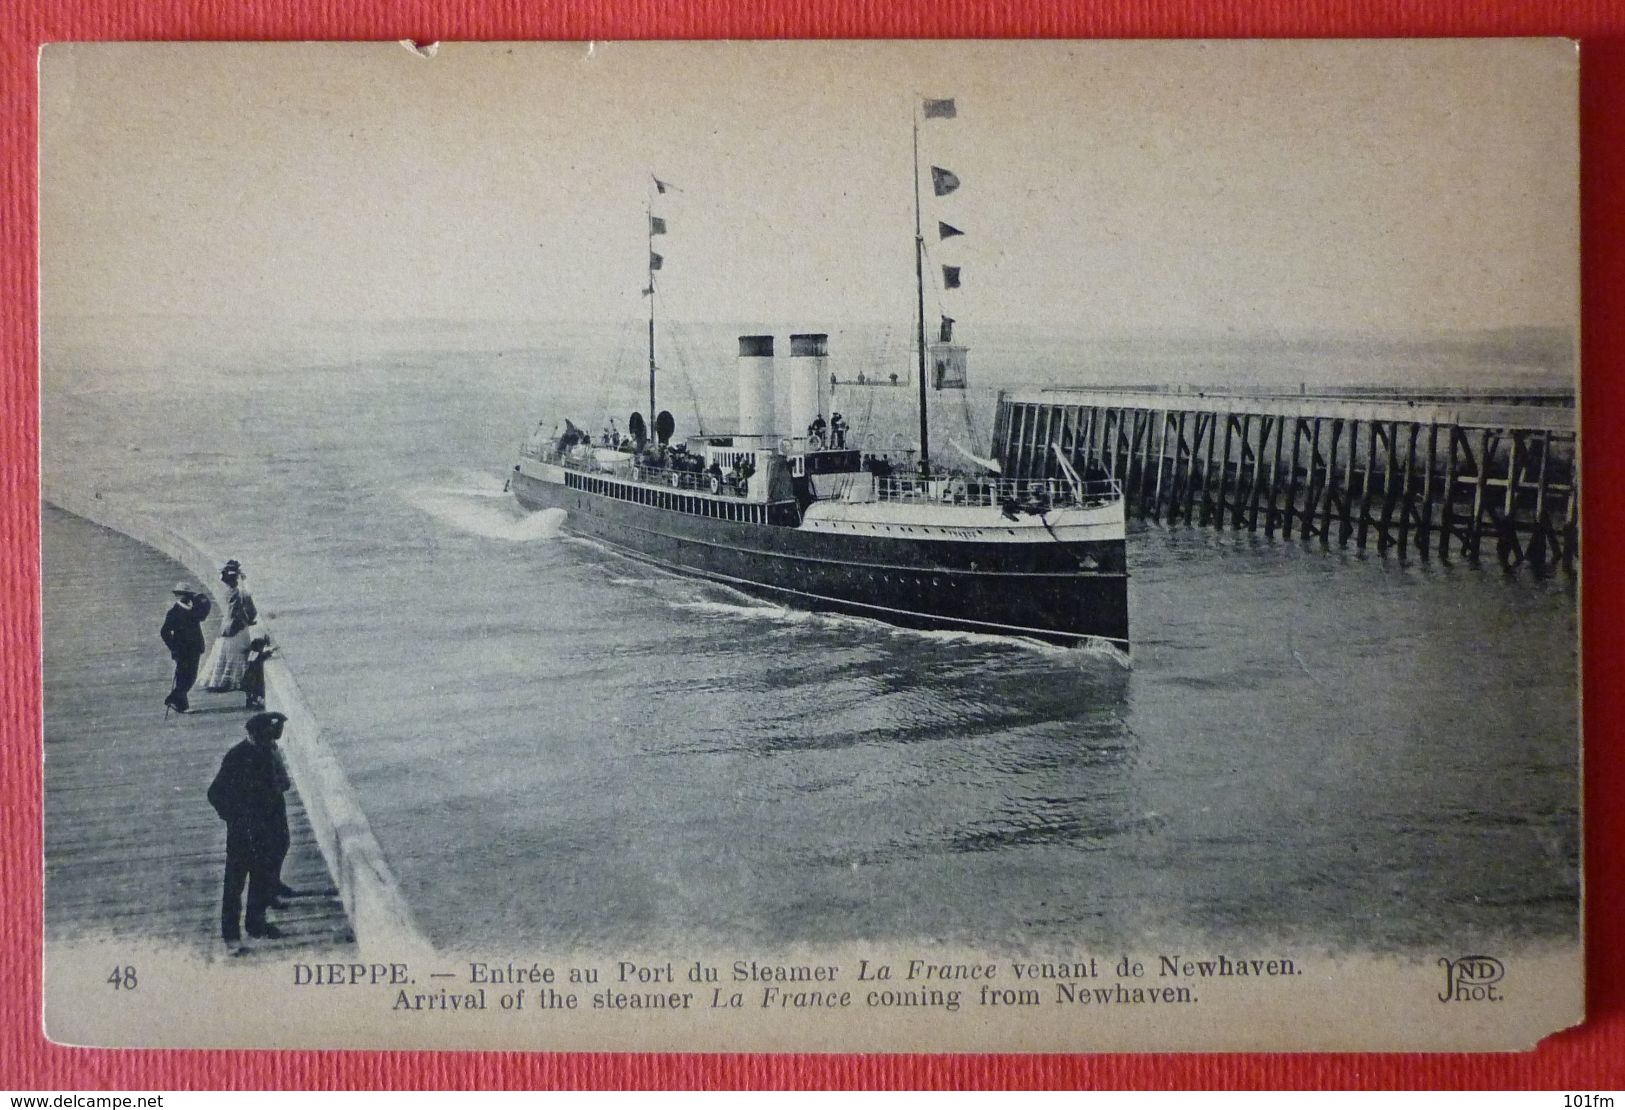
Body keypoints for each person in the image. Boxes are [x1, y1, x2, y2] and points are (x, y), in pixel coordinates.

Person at [207, 712, 293, 945]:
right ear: (255, 735)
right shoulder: (237, 756)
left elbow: (281, 787)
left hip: (266, 830)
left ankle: (256, 923)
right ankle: (231, 936)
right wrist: (233, 817)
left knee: (260, 878)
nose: (272, 740)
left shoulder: (269, 752)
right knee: (235, 884)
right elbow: (215, 793)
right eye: (268, 736)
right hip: (243, 832)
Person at [200, 560, 257, 692]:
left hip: (231, 626)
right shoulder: (238, 592)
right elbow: (247, 610)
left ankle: (225, 680)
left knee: (226, 652)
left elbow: (232, 613)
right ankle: (237, 680)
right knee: (236, 653)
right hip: (238, 626)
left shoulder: (232, 592)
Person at [159, 581, 211, 714]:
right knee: (184, 676)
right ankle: (175, 699)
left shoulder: (193, 607)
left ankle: (179, 702)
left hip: (195, 647)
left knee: (191, 675)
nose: (186, 597)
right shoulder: (173, 613)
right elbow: (164, 631)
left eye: (188, 595)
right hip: (181, 650)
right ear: (178, 595)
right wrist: (174, 647)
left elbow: (203, 611)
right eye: (183, 595)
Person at [242, 634, 277, 710]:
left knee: (249, 691)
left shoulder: (251, 653)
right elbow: (265, 655)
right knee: (258, 691)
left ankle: (249, 703)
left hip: (248, 675)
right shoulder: (259, 655)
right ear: (259, 647)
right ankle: (258, 704)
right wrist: (272, 650)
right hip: (256, 676)